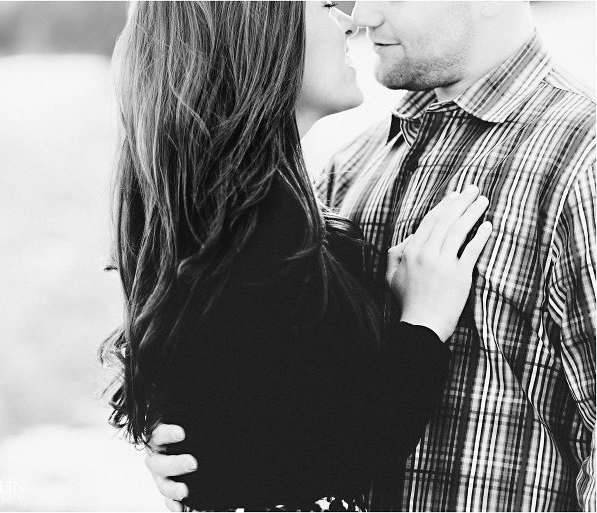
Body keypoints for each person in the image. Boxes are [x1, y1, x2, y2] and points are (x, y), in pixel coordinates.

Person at [148, 1, 596, 511]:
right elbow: (286, 407)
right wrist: (214, 457)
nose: (363, 15)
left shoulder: (583, 162)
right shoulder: (349, 170)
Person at [100, 1, 493, 511]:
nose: (353, 20)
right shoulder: (256, 227)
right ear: (257, 34)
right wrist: (423, 323)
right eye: (326, 6)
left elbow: (258, 416)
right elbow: (331, 449)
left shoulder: (227, 209)